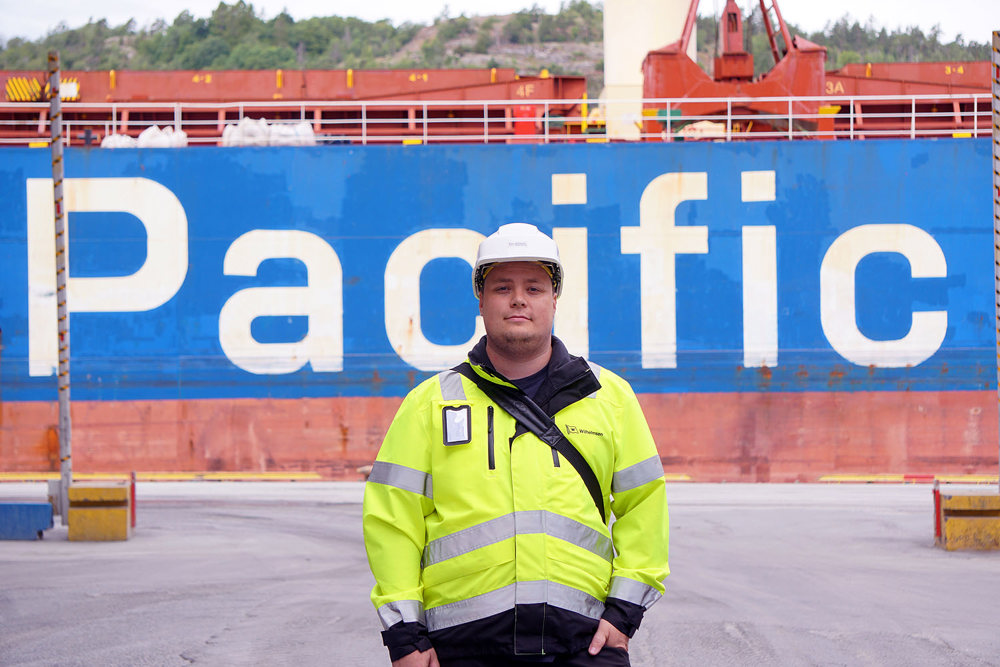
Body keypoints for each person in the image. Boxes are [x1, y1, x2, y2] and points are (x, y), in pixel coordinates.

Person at [363, 223, 669, 666]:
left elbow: (645, 505)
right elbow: (393, 521)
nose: (519, 299)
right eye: (502, 287)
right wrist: (406, 636)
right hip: (462, 648)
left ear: (554, 299)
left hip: (583, 644)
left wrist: (624, 613)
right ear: (481, 301)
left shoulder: (609, 397)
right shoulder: (429, 404)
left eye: (534, 287)